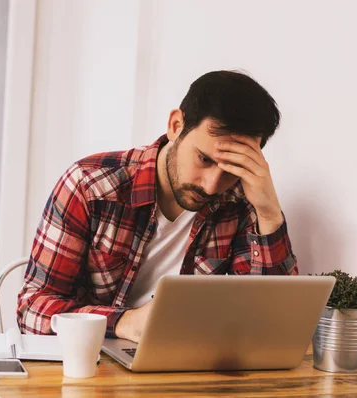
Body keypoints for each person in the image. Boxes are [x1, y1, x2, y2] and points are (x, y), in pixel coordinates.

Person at [17, 70, 298, 343]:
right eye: (204, 159)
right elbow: (32, 310)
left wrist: (269, 213)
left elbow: (273, 329)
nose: (212, 185)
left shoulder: (241, 200)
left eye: (231, 169)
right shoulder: (90, 185)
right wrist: (125, 323)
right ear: (176, 126)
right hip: (92, 366)